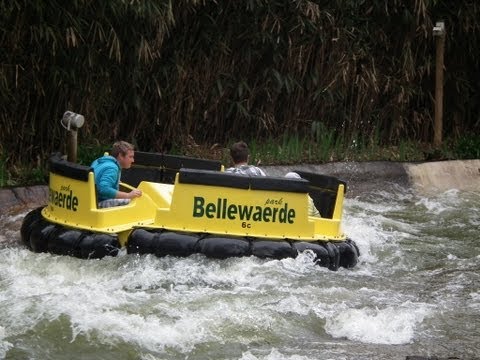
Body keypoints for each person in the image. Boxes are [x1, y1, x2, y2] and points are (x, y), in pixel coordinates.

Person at [91, 141, 142, 208]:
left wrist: (115, 180)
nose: (133, 160)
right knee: (136, 202)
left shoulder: (99, 161)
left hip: (89, 200)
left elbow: (98, 178)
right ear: (120, 155)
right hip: (98, 203)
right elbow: (103, 189)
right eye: (130, 157)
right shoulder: (112, 168)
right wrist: (128, 195)